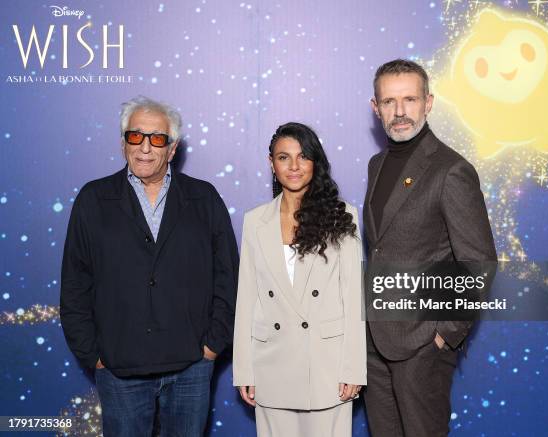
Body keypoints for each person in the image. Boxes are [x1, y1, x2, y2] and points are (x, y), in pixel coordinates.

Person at [60, 95, 239, 436]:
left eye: (157, 139)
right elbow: (74, 284)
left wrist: (212, 346)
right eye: (135, 136)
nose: (145, 147)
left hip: (191, 367)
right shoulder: (93, 200)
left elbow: (228, 278)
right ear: (123, 142)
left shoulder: (204, 198)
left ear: (172, 149)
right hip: (118, 369)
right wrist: (94, 355)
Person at [363, 59, 497, 436]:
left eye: (409, 99)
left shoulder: (451, 170)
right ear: (376, 108)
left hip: (422, 345)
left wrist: (443, 336)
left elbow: (479, 263)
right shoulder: (377, 164)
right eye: (389, 102)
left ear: (429, 102)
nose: (400, 111)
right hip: (374, 340)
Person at [233, 122, 366, 437]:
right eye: (283, 157)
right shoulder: (255, 221)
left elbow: (354, 297)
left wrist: (353, 367)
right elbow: (246, 299)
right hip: (272, 365)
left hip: (327, 368)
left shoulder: (342, 215)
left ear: (315, 162)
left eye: (303, 156)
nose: (294, 166)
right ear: (271, 163)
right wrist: (244, 369)